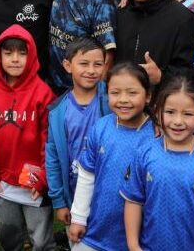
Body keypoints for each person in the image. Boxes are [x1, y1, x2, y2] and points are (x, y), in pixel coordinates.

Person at [122, 77, 194, 251]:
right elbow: (133, 200)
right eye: (170, 112)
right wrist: (133, 245)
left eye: (188, 114)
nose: (178, 121)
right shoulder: (145, 153)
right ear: (158, 112)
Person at [0, 24, 56, 251]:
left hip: (33, 183)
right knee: (9, 235)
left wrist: (43, 179)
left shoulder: (42, 92)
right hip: (2, 182)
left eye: (22, 53)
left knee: (40, 239)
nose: (15, 59)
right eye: (8, 53)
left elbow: (48, 142)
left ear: (32, 56)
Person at [67, 62, 156, 251]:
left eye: (132, 93)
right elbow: (86, 175)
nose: (123, 100)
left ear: (148, 96)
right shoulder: (101, 127)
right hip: (97, 230)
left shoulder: (156, 136)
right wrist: (79, 218)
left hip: (140, 237)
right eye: (115, 93)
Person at [46, 39, 111, 246]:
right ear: (67, 65)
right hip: (73, 196)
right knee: (78, 241)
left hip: (107, 196)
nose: (91, 70)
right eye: (84, 63)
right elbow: (53, 158)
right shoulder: (57, 112)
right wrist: (59, 202)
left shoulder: (112, 102)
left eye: (98, 64)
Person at [48, 0, 116, 93]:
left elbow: (107, 56)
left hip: (82, 91)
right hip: (54, 86)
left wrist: (95, 96)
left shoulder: (101, 1)